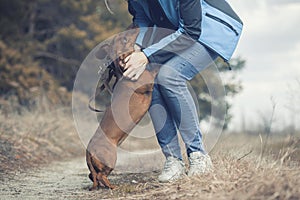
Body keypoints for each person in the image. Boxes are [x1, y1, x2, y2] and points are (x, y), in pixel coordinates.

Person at [123, 0, 218, 182]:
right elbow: (142, 17)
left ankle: (199, 156)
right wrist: (139, 46)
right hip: (178, 33)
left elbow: (191, 31)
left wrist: (146, 56)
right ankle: (174, 160)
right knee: (150, 78)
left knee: (169, 76)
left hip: (207, 31)